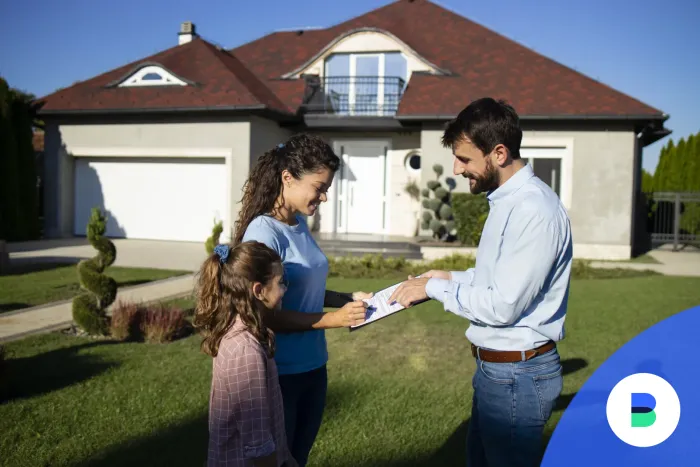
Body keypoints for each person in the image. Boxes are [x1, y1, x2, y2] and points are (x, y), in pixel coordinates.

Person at [388, 97, 573, 467]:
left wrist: (433, 289)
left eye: (465, 159)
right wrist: (445, 277)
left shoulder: (533, 209)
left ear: (499, 154)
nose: (456, 169)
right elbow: (494, 280)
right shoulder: (506, 201)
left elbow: (503, 306)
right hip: (500, 372)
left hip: (518, 376)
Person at [233, 133, 372, 467]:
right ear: (287, 178)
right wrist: (334, 321)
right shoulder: (263, 234)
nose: (323, 197)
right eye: (319, 187)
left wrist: (346, 298)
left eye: (326, 189)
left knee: (298, 459)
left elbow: (299, 287)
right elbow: (264, 315)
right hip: (281, 373)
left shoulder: (296, 224)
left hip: (313, 368)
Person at [193, 241, 298, 467]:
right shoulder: (245, 350)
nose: (285, 289)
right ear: (259, 291)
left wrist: (286, 455)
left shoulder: (250, 333)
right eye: (280, 283)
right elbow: (258, 444)